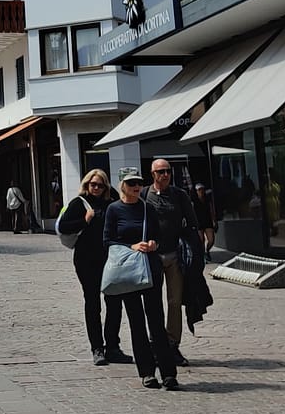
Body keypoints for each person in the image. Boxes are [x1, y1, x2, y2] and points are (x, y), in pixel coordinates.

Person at [104, 171, 178, 390]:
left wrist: (153, 244)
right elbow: (108, 240)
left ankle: (168, 373)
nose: (136, 186)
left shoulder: (148, 208)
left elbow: (158, 235)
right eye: (131, 183)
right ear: (123, 186)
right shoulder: (114, 209)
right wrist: (132, 247)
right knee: (136, 322)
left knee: (156, 322)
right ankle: (147, 372)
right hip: (128, 272)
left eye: (138, 182)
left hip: (150, 270)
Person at [61, 169, 131, 367]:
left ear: (106, 186)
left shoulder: (113, 202)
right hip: (86, 260)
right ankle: (97, 348)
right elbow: (63, 227)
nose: (97, 188)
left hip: (111, 259)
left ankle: (113, 347)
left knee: (115, 302)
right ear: (86, 185)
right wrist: (85, 219)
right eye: (93, 184)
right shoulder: (79, 203)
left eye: (100, 185)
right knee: (92, 303)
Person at [143, 159, 198, 367]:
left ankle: (172, 344)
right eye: (160, 172)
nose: (165, 175)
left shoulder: (179, 195)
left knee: (175, 302)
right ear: (153, 174)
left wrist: (195, 253)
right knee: (153, 302)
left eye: (167, 171)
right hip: (152, 257)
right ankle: (155, 344)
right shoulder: (144, 194)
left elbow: (192, 223)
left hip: (175, 255)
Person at [192, 184, 216, 261]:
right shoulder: (194, 201)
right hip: (198, 222)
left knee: (211, 240)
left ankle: (207, 250)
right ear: (196, 192)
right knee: (201, 240)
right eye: (199, 190)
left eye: (202, 189)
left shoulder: (207, 200)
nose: (201, 191)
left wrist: (214, 221)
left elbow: (211, 211)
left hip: (208, 221)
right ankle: (203, 255)